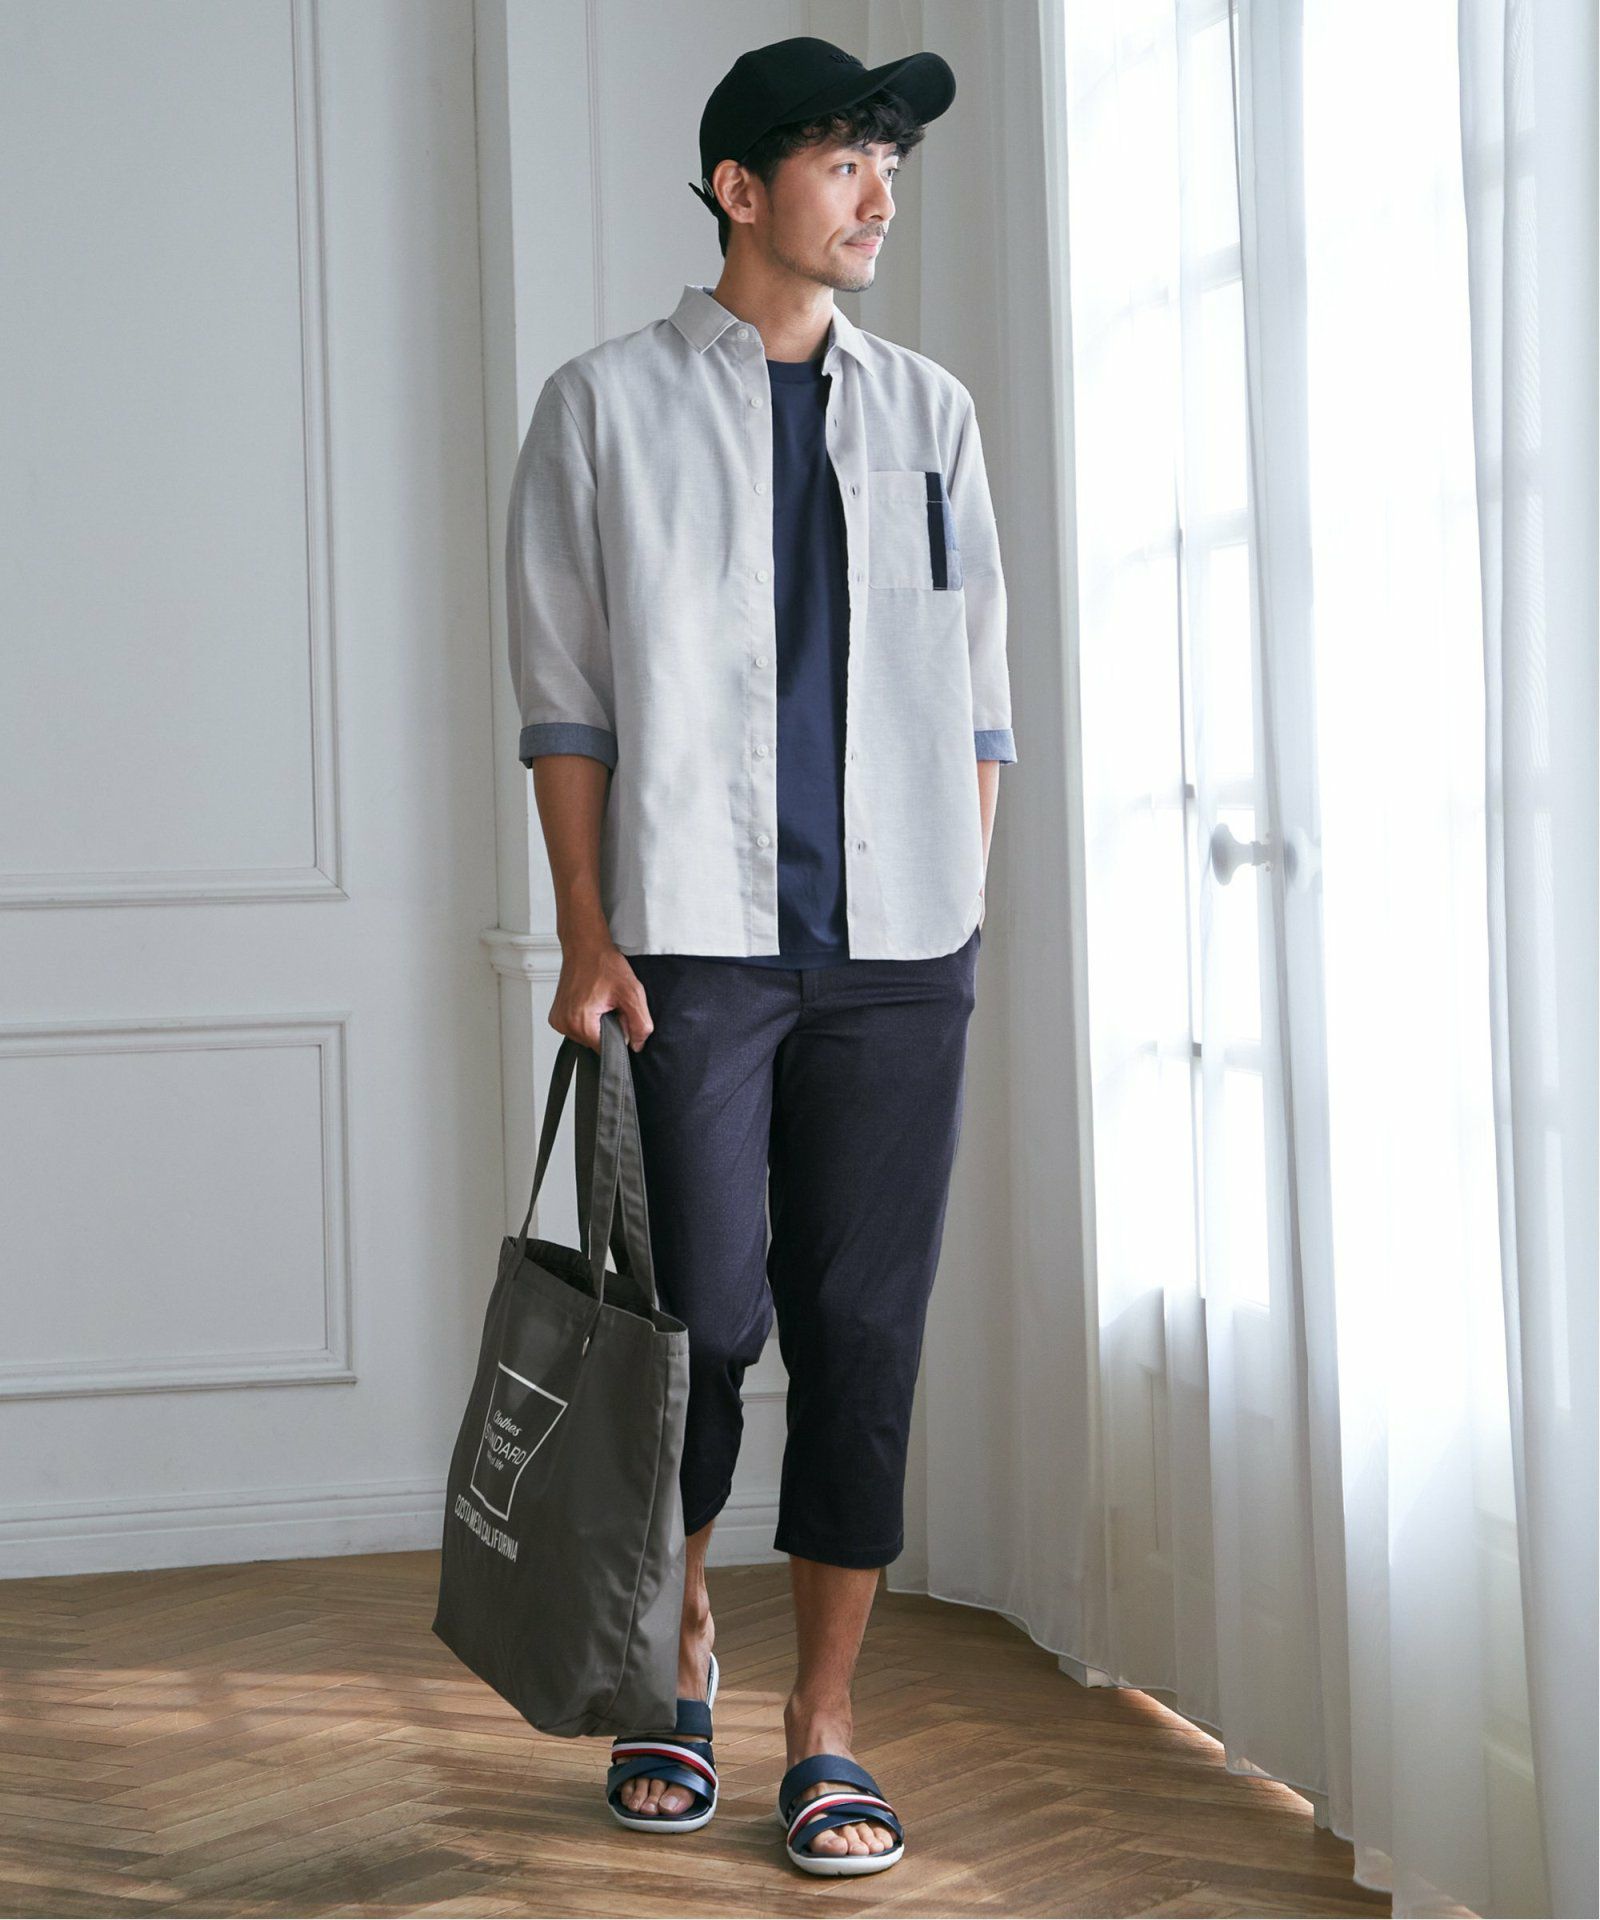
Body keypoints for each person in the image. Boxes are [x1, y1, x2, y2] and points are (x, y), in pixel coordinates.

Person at [505, 33, 1016, 1879]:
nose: (881, 192)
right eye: (845, 158)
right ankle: (678, 1659)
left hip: (901, 959)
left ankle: (826, 1727)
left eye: (892, 162)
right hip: (691, 953)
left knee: (865, 1337)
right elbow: (566, 704)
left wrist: (955, 900)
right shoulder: (601, 408)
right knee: (701, 1335)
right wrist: (586, 932)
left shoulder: (931, 413)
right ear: (741, 187)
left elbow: (982, 698)